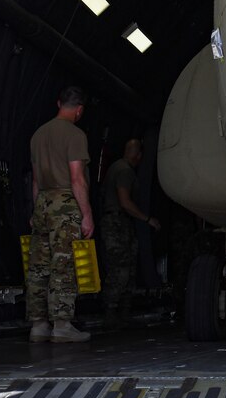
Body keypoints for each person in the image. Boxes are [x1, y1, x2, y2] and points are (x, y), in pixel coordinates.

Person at [27, 86, 94, 344]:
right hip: (65, 203)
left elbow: (35, 180)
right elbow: (77, 178)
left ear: (58, 103)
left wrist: (36, 210)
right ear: (79, 110)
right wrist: (87, 214)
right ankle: (62, 325)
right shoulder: (75, 135)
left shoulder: (38, 135)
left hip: (43, 200)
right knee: (63, 264)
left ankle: (38, 325)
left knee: (38, 266)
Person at [100, 136, 161, 328]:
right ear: (139, 155)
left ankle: (119, 311)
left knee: (124, 266)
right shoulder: (125, 171)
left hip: (118, 223)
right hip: (117, 223)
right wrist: (147, 219)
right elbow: (125, 202)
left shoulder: (116, 167)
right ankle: (113, 311)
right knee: (121, 268)